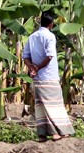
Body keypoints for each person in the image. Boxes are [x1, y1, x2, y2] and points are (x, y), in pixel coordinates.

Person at [23, 12, 75, 142]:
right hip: (49, 75)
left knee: (41, 105)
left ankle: (42, 133)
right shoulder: (50, 37)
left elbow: (26, 56)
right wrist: (38, 67)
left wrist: (32, 68)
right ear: (51, 24)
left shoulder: (32, 36)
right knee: (54, 104)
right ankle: (58, 132)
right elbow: (50, 56)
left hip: (38, 78)